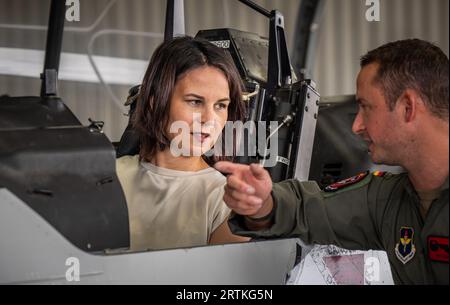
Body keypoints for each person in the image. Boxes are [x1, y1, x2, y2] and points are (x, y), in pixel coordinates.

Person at [215, 39, 449, 285]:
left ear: (407, 108)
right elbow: (306, 208)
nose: (356, 126)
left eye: (366, 107)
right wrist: (262, 203)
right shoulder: (386, 201)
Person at [116, 36, 250, 252]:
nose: (209, 119)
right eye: (195, 101)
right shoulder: (108, 177)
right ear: (155, 101)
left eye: (220, 105)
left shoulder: (225, 199)